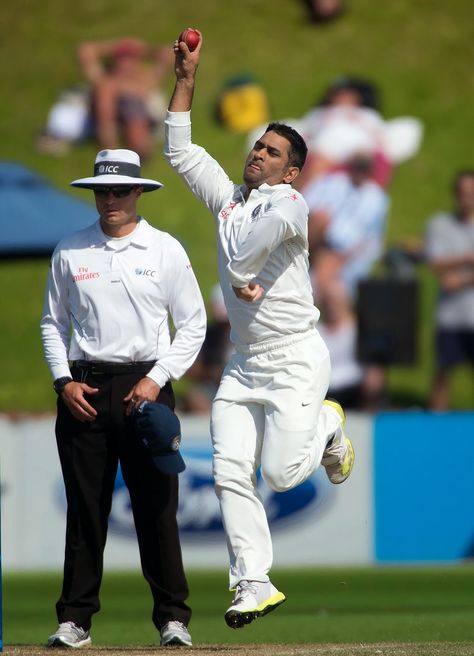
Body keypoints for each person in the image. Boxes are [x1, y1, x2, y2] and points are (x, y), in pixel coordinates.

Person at [164, 31, 354, 630]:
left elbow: (254, 246)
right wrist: (187, 78)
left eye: (272, 153)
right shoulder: (230, 200)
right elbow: (181, 153)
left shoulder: (290, 206)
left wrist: (242, 277)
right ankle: (253, 582)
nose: (258, 155)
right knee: (226, 473)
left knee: (276, 474)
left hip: (296, 358)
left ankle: (328, 423)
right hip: (244, 363)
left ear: (292, 171)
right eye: (257, 147)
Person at [40, 148, 206, 648]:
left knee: (157, 508)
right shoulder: (70, 250)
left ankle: (173, 619)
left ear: (138, 192)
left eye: (119, 190)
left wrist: (157, 378)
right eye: (102, 190)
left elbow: (193, 324)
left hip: (147, 389)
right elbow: (53, 323)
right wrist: (62, 381)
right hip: (84, 388)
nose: (109, 199)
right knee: (85, 508)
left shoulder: (165, 249)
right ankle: (75, 620)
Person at [305, 152, 390, 300]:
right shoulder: (331, 182)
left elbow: (373, 238)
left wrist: (347, 257)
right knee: (321, 218)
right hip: (316, 239)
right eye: (358, 168)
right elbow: (305, 205)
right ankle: (299, 255)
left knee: (325, 275)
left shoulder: (377, 198)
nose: (359, 173)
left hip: (343, 252)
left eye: (364, 169)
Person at [424, 170, 474, 410]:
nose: (467, 199)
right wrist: (468, 258)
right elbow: (435, 263)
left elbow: (451, 276)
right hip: (451, 317)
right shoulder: (440, 224)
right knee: (443, 374)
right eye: (463, 194)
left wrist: (460, 275)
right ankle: (437, 423)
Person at [77, 38, 173, 160]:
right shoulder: (105, 80)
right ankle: (112, 153)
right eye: (121, 59)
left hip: (143, 119)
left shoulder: (145, 81)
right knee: (106, 91)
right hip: (113, 120)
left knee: (127, 106)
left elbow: (168, 54)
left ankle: (125, 154)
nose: (125, 64)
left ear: (137, 61)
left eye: (130, 59)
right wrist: (117, 46)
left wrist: (140, 49)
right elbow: (85, 51)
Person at [181, 284, 233, 414]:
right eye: (222, 324)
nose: (225, 329)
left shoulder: (249, 335)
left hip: (243, 387)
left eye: (228, 323)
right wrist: (211, 373)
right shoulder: (209, 335)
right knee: (194, 397)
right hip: (214, 388)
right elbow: (193, 370)